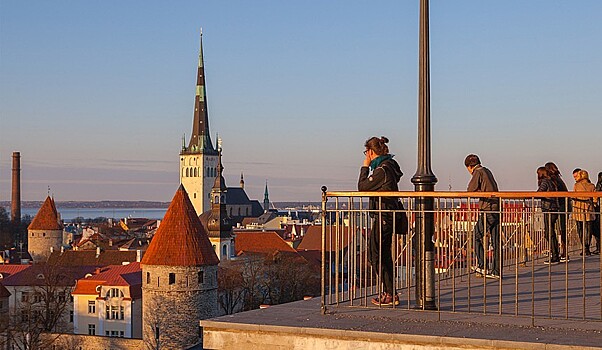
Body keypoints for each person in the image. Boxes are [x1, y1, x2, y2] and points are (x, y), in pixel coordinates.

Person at [358, 136, 403, 306]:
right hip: (386, 215)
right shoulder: (388, 166)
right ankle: (389, 292)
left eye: (366, 152)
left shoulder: (382, 169)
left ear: (370, 151)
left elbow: (362, 187)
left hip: (384, 215)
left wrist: (364, 167)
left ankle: (390, 293)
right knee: (380, 254)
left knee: (377, 255)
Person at [465, 154, 501, 279]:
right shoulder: (487, 171)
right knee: (496, 241)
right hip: (496, 207)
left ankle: (482, 265)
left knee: (475, 236)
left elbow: (470, 190)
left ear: (470, 167)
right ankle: (496, 271)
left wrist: (478, 191)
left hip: (487, 208)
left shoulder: (478, 172)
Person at [545, 162, 570, 262]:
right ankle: (563, 253)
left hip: (560, 206)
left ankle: (560, 253)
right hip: (564, 205)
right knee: (561, 229)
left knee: (558, 229)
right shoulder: (558, 179)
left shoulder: (553, 180)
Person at [537, 167, 560, 264]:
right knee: (550, 232)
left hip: (549, 208)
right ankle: (555, 254)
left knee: (548, 233)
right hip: (554, 208)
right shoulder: (552, 181)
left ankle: (555, 255)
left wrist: (532, 195)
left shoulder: (545, 182)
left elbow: (540, 193)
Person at [572, 169, 597, 256]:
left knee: (580, 229)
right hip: (589, 209)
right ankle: (587, 248)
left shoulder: (576, 185)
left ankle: (584, 247)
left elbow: (574, 197)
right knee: (588, 230)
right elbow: (595, 199)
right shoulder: (592, 186)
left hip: (578, 209)